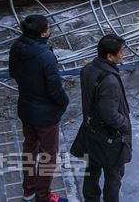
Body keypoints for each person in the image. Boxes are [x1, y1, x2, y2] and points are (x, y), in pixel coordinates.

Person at [9, 15, 69, 202]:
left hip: (26, 108)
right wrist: (63, 102)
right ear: (43, 32)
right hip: (46, 115)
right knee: (48, 154)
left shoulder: (16, 47)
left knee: (29, 149)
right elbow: (54, 88)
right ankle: (43, 195)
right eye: (48, 27)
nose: (50, 29)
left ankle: (28, 190)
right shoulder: (46, 56)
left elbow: (13, 73)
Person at [80, 34, 132, 202]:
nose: (122, 55)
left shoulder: (88, 68)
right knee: (114, 176)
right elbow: (110, 114)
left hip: (91, 130)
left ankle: (91, 199)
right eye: (121, 52)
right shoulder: (109, 80)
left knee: (92, 169)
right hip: (108, 136)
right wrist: (125, 124)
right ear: (110, 56)